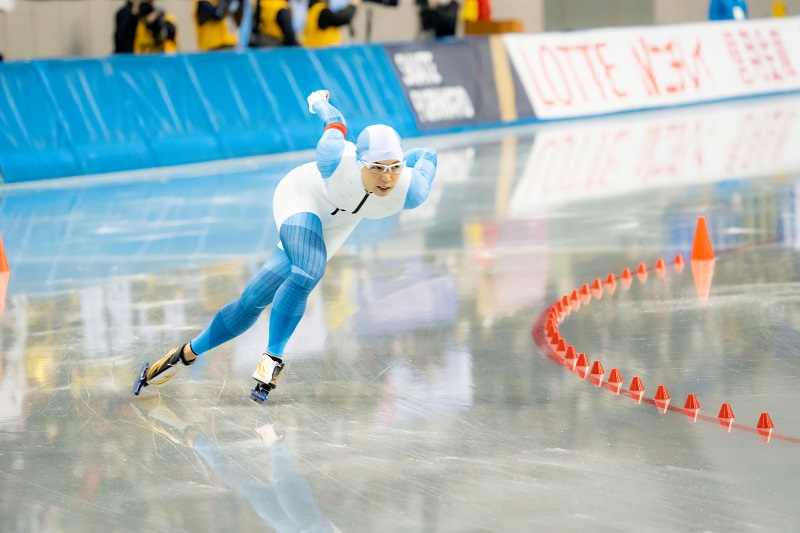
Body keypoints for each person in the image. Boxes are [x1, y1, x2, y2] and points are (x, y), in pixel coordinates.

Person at [133, 89, 438, 403]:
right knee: (309, 269)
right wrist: (319, 101)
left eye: (394, 168)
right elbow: (335, 122)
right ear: (360, 162)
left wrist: (408, 159)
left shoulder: (411, 188)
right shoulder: (334, 157)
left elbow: (429, 155)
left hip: (339, 224)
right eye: (376, 167)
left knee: (253, 298)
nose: (386, 179)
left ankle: (184, 354)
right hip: (303, 196)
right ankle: (272, 357)